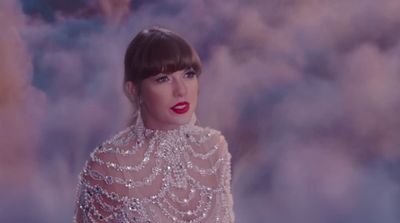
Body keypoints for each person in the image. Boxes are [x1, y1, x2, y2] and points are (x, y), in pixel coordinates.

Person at [74, 27, 234, 223]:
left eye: (188, 74)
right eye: (163, 79)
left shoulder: (214, 148)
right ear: (133, 90)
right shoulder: (108, 166)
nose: (181, 90)